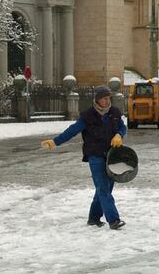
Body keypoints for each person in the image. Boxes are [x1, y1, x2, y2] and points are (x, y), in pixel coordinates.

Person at [41, 85, 127, 230]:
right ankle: (113, 220)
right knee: (103, 187)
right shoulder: (88, 116)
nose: (107, 101)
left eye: (108, 98)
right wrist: (55, 142)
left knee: (106, 188)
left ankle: (93, 218)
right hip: (95, 156)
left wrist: (119, 134)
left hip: (112, 155)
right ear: (97, 100)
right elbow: (72, 131)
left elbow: (122, 127)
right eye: (104, 98)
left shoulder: (115, 112)